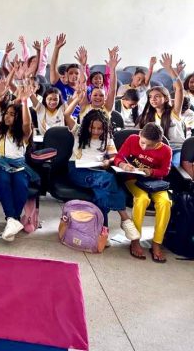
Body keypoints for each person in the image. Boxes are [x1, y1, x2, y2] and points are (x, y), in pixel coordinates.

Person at [65, 109, 140, 243]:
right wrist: (77, 99)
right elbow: (66, 115)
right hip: (78, 170)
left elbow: (114, 157)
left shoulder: (107, 138)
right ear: (87, 125)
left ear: (105, 128)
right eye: (92, 127)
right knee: (109, 178)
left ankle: (102, 232)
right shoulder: (78, 132)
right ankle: (125, 218)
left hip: (97, 171)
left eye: (99, 128)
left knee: (102, 194)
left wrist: (108, 162)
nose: (95, 131)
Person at [114, 123, 173, 263]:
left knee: (165, 203)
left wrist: (151, 172)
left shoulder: (166, 150)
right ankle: (135, 239)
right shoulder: (132, 139)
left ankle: (157, 243)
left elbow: (165, 171)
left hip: (155, 183)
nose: (145, 147)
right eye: (143, 143)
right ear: (140, 134)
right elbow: (118, 157)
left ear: (159, 142)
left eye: (150, 145)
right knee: (142, 199)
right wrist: (123, 165)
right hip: (133, 179)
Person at [0, 78, 37, 242]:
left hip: (19, 167)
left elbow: (27, 123)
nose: (7, 117)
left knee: (21, 186)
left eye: (12, 115)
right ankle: (12, 219)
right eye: (6, 114)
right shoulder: (0, 130)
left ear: (18, 118)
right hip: (2, 166)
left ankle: (12, 220)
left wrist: (24, 102)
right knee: (3, 183)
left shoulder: (23, 134)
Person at [136, 54, 185, 167]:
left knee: (172, 165)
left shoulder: (174, 112)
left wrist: (169, 68)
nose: (153, 99)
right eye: (150, 97)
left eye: (157, 96)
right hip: (158, 149)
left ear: (166, 98)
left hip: (176, 149)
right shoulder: (149, 116)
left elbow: (179, 89)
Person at [49, 33, 80, 117]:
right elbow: (53, 68)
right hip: (63, 117)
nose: (74, 75)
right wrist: (57, 49)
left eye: (76, 73)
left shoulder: (84, 90)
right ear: (66, 75)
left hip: (80, 118)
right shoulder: (61, 86)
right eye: (71, 73)